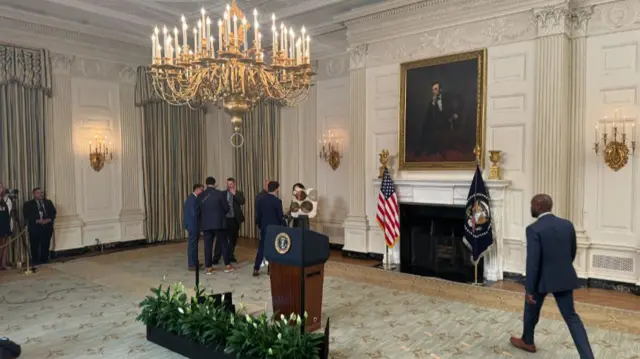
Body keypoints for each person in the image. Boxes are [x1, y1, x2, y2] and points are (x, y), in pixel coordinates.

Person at [510, 194, 594, 359]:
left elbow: (533, 262)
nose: (530, 208)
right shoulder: (567, 225)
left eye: (531, 205)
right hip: (563, 277)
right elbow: (572, 251)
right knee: (571, 317)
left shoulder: (533, 229)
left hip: (541, 278)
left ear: (539, 207)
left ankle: (528, 340)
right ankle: (588, 357)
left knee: (531, 307)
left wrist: (529, 289)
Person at [198, 177, 233, 274]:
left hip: (206, 224)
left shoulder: (201, 195)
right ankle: (227, 265)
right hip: (219, 223)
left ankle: (208, 267)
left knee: (207, 246)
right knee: (223, 244)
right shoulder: (220, 194)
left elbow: (199, 210)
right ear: (214, 183)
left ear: (206, 184)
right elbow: (226, 208)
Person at [253, 180, 285, 276]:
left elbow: (258, 215)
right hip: (274, 229)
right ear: (276, 189)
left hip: (264, 227)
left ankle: (256, 268)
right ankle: (270, 269)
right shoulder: (277, 201)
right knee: (273, 248)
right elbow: (280, 216)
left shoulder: (261, 200)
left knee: (261, 247)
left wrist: (259, 225)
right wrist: (284, 226)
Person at [213, 178, 244, 264]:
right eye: (228, 184)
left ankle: (230, 256)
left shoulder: (239, 193)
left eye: (231, 184)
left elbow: (242, 202)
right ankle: (216, 257)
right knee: (220, 239)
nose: (229, 185)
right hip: (224, 219)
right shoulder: (222, 194)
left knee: (233, 239)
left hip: (234, 219)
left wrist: (234, 195)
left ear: (234, 184)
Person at [23, 187, 56, 266]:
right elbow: (27, 215)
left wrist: (48, 220)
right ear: (34, 194)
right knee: (34, 245)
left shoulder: (48, 202)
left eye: (41, 192)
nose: (40, 194)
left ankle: (44, 260)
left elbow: (54, 213)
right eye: (38, 193)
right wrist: (37, 221)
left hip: (47, 226)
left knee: (46, 244)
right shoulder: (28, 204)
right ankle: (35, 261)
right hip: (35, 227)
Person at [184, 183, 204, 271]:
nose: (202, 192)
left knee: (194, 245)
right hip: (193, 224)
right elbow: (194, 213)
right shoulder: (192, 199)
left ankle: (194, 262)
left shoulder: (193, 198)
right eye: (201, 190)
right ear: (197, 189)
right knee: (192, 245)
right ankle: (191, 264)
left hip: (193, 224)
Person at [0, 184, 12, 270]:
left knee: (4, 246)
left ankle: (3, 264)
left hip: (4, 226)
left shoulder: (5, 200)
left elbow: (8, 213)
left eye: (1, 187)